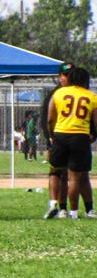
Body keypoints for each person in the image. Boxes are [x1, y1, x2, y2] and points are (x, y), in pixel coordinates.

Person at [46, 66, 97, 219]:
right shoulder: (91, 96)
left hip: (60, 134)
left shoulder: (59, 93)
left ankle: (61, 209)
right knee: (76, 177)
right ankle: (74, 213)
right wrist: (93, 135)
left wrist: (52, 136)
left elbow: (50, 119)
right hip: (80, 136)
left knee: (56, 172)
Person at [42, 64, 73, 218]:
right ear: (60, 77)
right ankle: (53, 204)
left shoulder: (80, 93)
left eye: (70, 74)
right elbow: (46, 119)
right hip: (57, 139)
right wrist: (49, 139)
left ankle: (63, 208)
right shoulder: (54, 94)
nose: (67, 77)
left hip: (73, 139)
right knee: (55, 171)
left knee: (67, 174)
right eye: (65, 75)